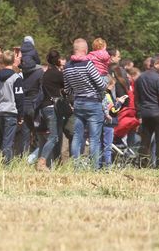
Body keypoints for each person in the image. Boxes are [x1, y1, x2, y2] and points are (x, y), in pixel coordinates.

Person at [63, 39, 107, 167]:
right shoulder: (88, 64)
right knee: (94, 138)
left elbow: (67, 89)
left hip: (78, 104)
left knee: (77, 136)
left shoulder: (67, 67)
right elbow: (101, 84)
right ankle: (94, 167)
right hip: (93, 103)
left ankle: (76, 166)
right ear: (85, 50)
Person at [135, 54, 159, 167]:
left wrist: (139, 113)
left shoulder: (140, 77)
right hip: (158, 112)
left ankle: (143, 164)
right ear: (155, 64)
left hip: (146, 113)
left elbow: (137, 97)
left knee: (145, 141)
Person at [0, 49, 24, 163]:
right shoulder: (16, 78)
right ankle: (6, 164)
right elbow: (19, 98)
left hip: (0, 110)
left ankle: (6, 161)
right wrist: (21, 115)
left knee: (5, 138)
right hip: (11, 111)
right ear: (13, 61)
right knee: (8, 140)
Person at [38, 49, 65, 171]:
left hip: (45, 106)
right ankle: (42, 162)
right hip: (52, 107)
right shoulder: (58, 74)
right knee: (54, 136)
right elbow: (66, 87)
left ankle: (56, 162)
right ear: (58, 60)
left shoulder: (46, 74)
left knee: (56, 135)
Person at [102, 78, 127, 168]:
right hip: (108, 122)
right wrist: (119, 103)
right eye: (113, 85)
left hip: (100, 121)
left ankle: (98, 164)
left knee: (100, 144)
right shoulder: (107, 94)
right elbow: (113, 110)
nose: (113, 87)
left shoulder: (100, 93)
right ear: (109, 85)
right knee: (107, 146)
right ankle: (107, 166)